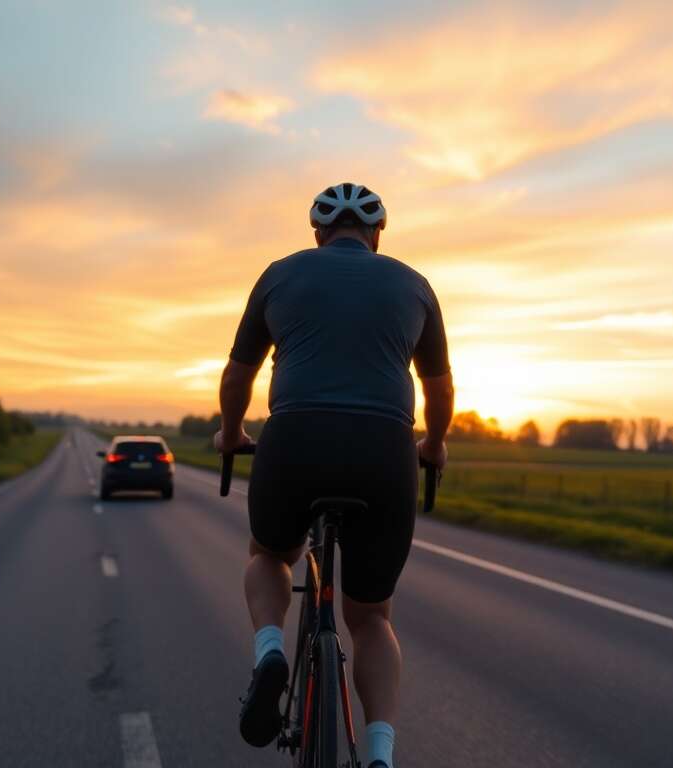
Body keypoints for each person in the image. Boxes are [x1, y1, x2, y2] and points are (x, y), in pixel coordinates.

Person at [214, 182, 453, 768]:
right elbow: (440, 389)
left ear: (318, 233)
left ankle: (271, 651)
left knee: (270, 554)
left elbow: (238, 375)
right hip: (385, 450)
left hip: (295, 439)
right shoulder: (415, 285)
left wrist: (231, 432)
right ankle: (380, 755)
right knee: (370, 616)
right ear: (377, 235)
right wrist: (434, 444)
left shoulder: (279, 274)